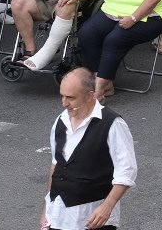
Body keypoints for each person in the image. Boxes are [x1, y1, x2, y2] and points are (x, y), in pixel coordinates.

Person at [46, 66, 138, 230]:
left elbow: (127, 171)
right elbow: (56, 165)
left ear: (90, 96)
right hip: (58, 217)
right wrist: (47, 209)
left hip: (93, 219)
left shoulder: (112, 124)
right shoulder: (60, 120)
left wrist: (107, 206)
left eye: (71, 98)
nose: (64, 103)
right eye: (62, 96)